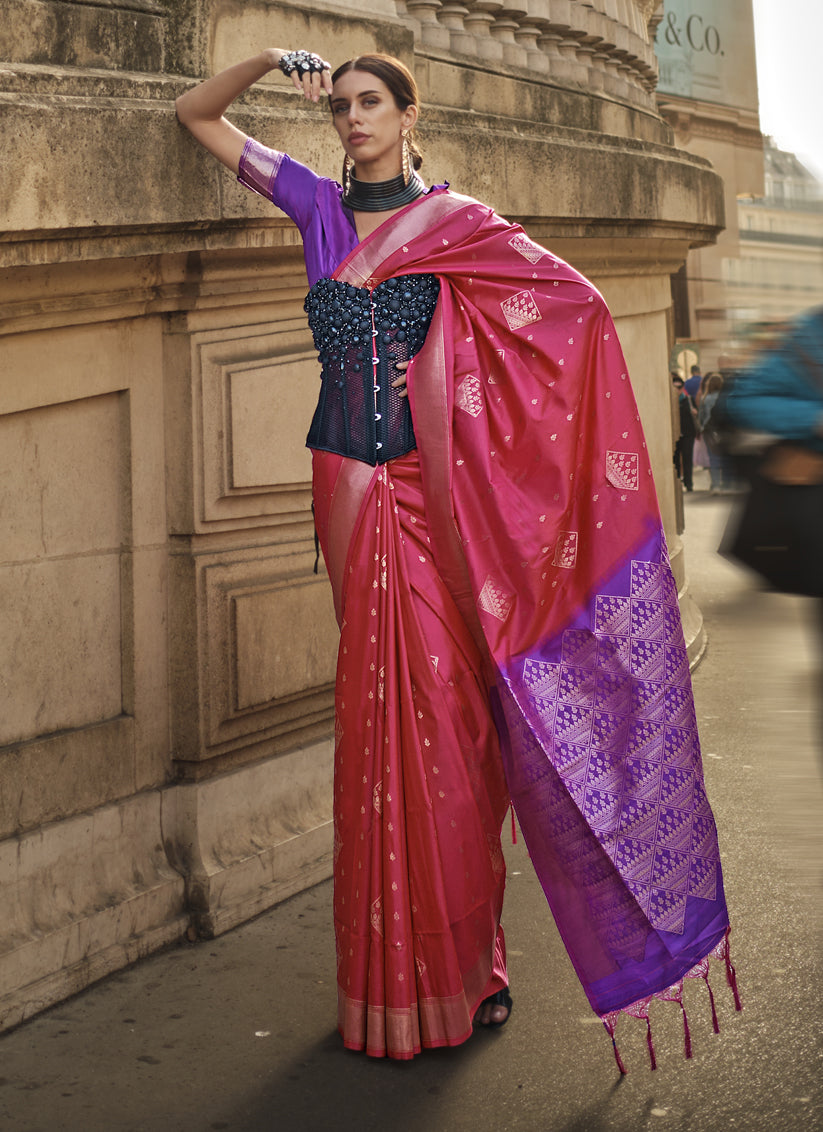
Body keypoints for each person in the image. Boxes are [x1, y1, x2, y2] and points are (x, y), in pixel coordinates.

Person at [175, 49, 737, 1068]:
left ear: (405, 112)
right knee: (375, 742)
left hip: (439, 514)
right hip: (350, 501)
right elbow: (195, 114)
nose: (351, 118)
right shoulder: (315, 209)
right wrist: (264, 64)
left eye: (369, 103)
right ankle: (385, 988)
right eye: (340, 104)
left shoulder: (462, 229)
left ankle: (471, 969)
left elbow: (577, 316)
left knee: (451, 745)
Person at [672, 374, 697, 491]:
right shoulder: (669, 402)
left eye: (679, 387)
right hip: (674, 435)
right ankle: (677, 482)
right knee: (675, 459)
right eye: (674, 387)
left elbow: (696, 415)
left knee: (687, 459)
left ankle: (689, 483)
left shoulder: (688, 400)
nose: (677, 390)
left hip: (688, 433)